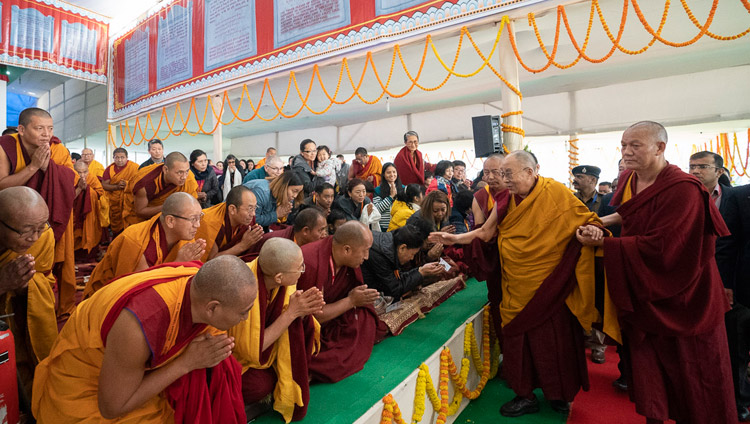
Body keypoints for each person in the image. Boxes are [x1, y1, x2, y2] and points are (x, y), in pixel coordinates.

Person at [432, 150, 610, 417]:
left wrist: (593, 230)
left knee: (555, 341)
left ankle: (559, 393)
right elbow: (486, 232)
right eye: (501, 174)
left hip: (551, 282)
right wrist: (454, 240)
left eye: (508, 174)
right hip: (516, 281)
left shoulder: (557, 194)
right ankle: (524, 395)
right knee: (517, 340)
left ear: (530, 171)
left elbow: (586, 222)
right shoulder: (505, 199)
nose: (503, 180)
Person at [578, 121, 735, 424]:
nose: (626, 152)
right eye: (624, 145)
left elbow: (667, 248)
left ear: (660, 147)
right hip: (646, 290)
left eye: (635, 145)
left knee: (694, 372)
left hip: (687, 294)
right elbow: (630, 210)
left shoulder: (683, 188)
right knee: (651, 369)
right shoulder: (629, 178)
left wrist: (607, 245)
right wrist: (601, 223)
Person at [33, 256, 256, 424]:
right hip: (86, 389)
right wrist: (186, 363)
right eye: (243, 312)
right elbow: (110, 408)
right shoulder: (141, 323)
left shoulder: (195, 279)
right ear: (212, 308)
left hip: (129, 373)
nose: (246, 318)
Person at [229, 238, 323, 422]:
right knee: (259, 386)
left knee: (303, 339)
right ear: (279, 277)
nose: (302, 271)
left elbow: (291, 321)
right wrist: (292, 313)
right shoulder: (245, 289)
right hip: (236, 358)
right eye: (300, 268)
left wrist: (305, 312)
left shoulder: (280, 280)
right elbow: (251, 351)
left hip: (265, 353)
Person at [0, 107, 78, 318]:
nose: (46, 134)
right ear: (22, 130)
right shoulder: (4, 147)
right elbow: (1, 188)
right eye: (39, 128)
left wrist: (48, 168)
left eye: (50, 128)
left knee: (44, 269)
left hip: (41, 221)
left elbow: (72, 182)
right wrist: (34, 167)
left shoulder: (57, 150)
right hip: (10, 223)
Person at [297, 221, 385, 383]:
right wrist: (351, 300)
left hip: (333, 316)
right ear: (346, 249)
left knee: (365, 317)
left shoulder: (346, 261)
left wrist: (357, 300)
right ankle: (315, 367)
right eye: (365, 251)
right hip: (305, 326)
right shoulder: (310, 262)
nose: (367, 257)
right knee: (304, 351)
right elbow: (312, 317)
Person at [84, 193, 207, 296]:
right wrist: (178, 263)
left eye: (199, 217)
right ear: (170, 221)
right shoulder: (136, 242)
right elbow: (137, 293)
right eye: (193, 219)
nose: (197, 225)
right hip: (111, 300)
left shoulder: (185, 237)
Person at [0, 187, 57, 407]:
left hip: (19, 322)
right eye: (25, 231)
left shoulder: (44, 237)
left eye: (40, 228)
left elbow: (46, 279)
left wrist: (27, 286)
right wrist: (3, 283)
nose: (34, 238)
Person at [571, 164, 606, 364]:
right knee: (576, 297)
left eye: (580, 177)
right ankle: (578, 339)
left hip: (597, 257)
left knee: (597, 298)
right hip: (574, 256)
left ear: (593, 180)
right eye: (575, 176)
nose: (575, 180)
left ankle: (597, 345)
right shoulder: (568, 199)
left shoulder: (605, 201)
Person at [361, 220, 443, 299]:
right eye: (412, 254)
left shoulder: (391, 245)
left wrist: (419, 271)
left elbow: (397, 278)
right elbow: (394, 290)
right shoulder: (380, 256)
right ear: (402, 248)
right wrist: (421, 273)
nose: (412, 258)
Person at [122, 152, 198, 228]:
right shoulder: (145, 183)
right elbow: (140, 212)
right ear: (165, 169)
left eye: (187, 171)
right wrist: (169, 205)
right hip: (142, 221)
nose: (184, 177)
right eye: (180, 172)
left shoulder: (189, 178)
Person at [195, 185, 264, 261]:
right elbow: (211, 260)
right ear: (232, 209)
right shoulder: (210, 222)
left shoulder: (246, 220)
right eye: (250, 209)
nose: (253, 214)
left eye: (255, 208)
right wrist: (242, 245)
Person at [240, 207, 328, 261]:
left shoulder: (317, 247)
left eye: (325, 230)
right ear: (305, 231)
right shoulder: (274, 242)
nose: (325, 235)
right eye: (321, 230)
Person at [102, 148, 140, 235]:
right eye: (117, 157)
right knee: (116, 225)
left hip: (130, 201)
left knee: (130, 222)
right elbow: (104, 185)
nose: (119, 160)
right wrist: (117, 187)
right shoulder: (109, 169)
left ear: (127, 157)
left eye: (122, 157)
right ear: (113, 158)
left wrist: (127, 185)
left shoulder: (134, 167)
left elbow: (139, 183)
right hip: (115, 201)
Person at [72, 161, 105, 253]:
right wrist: (79, 188)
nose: (82, 175)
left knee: (90, 230)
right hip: (74, 213)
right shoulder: (69, 178)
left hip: (90, 213)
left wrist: (88, 190)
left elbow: (100, 192)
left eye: (85, 172)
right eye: (79, 172)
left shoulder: (92, 178)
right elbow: (67, 198)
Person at [373, 162, 403, 232]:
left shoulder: (403, 188)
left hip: (400, 225)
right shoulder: (378, 190)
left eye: (394, 172)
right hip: (384, 226)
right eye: (388, 172)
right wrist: (390, 197)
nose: (392, 175)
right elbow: (377, 209)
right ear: (383, 174)